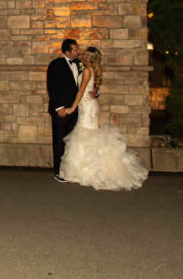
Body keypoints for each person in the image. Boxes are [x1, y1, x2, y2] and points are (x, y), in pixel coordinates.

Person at [59, 47, 148, 191]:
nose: (82, 55)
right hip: (88, 105)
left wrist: (72, 107)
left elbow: (82, 91)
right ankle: (84, 168)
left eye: (86, 55)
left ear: (90, 58)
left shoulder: (88, 70)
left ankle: (89, 170)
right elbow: (90, 88)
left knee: (85, 134)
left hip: (86, 106)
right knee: (86, 134)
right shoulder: (90, 68)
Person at [46, 39, 84, 182]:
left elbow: (87, 82)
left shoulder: (80, 64)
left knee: (73, 140)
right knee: (60, 140)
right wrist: (59, 107)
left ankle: (71, 169)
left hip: (76, 108)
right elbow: (52, 87)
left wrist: (96, 91)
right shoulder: (55, 65)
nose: (78, 51)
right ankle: (59, 171)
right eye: (75, 49)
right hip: (61, 110)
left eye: (78, 48)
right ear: (67, 52)